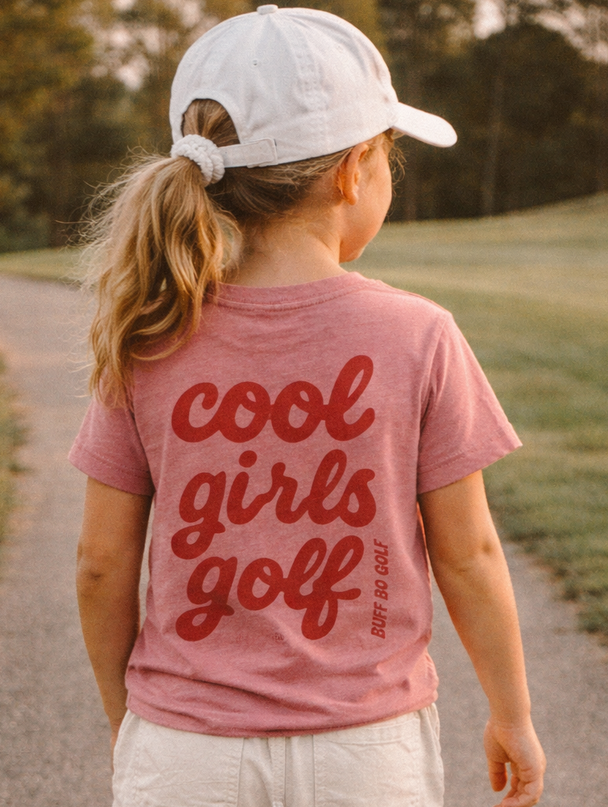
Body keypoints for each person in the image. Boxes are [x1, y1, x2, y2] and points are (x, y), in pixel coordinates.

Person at [70, 6, 546, 806]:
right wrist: (512, 714)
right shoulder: (418, 334)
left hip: (186, 748)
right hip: (369, 748)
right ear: (354, 171)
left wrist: (134, 720)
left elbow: (99, 563)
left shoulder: (148, 334)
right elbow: (470, 555)